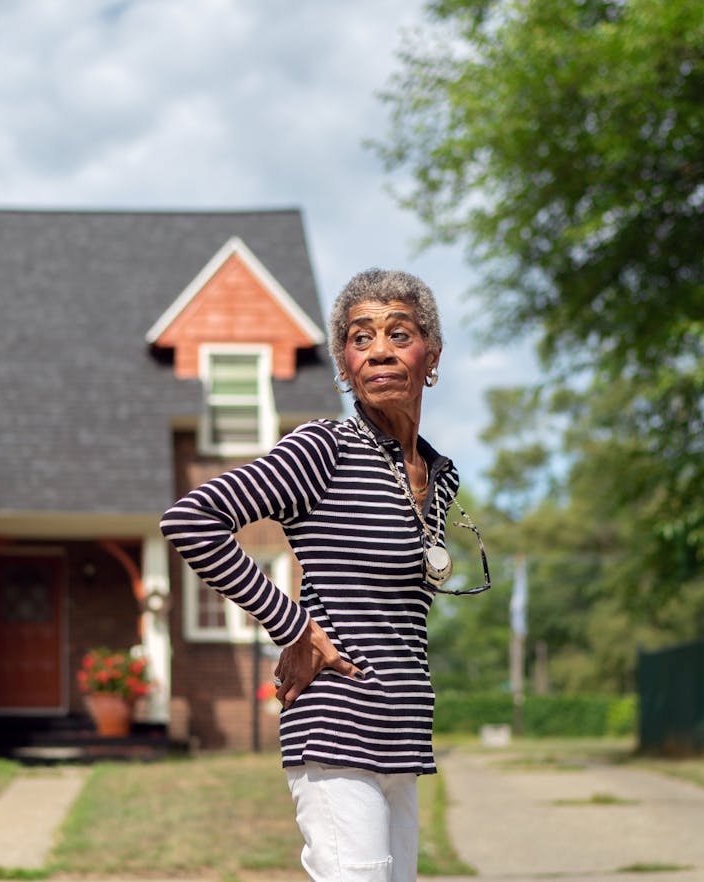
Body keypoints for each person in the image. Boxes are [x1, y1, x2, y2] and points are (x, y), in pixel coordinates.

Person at [161, 268, 479, 882]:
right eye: (361, 339)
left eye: (398, 333)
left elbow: (402, 617)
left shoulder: (441, 478)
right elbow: (191, 520)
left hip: (403, 727)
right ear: (343, 365)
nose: (380, 350)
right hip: (334, 725)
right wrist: (294, 628)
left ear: (431, 355)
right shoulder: (322, 449)